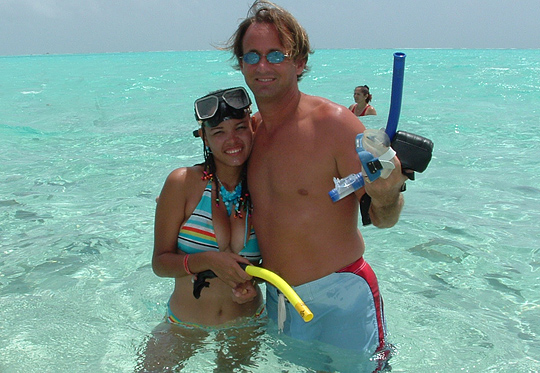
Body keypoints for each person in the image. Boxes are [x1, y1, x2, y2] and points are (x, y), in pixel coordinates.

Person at [225, 0, 408, 360]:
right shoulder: (251, 135)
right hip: (280, 298)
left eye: (276, 55)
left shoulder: (335, 124)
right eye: (252, 56)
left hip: (342, 296)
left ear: (299, 61)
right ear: (241, 64)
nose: (263, 66)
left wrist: (387, 195)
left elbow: (384, 220)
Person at [139, 87, 265, 371]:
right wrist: (207, 261)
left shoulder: (265, 189)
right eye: (218, 132)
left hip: (245, 324)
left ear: (253, 129)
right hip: (182, 323)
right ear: (204, 137)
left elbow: (280, 265)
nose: (232, 140)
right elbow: (160, 263)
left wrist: (252, 283)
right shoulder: (182, 183)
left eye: (240, 128)